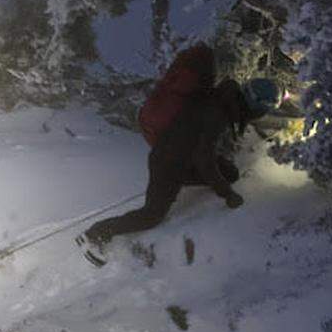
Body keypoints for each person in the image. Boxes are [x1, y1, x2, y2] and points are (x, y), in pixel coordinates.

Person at [77, 46, 281, 266]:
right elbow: (204, 158)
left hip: (178, 157)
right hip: (168, 163)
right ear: (256, 105)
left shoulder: (222, 100)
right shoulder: (218, 112)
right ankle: (96, 234)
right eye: (265, 109)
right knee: (151, 215)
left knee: (229, 173)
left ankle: (174, 186)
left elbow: (200, 149)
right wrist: (227, 194)